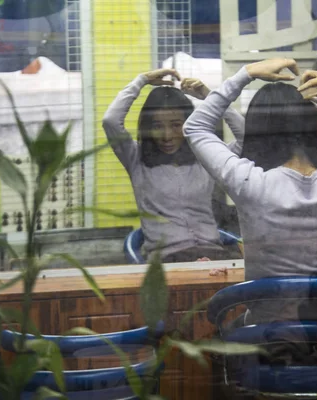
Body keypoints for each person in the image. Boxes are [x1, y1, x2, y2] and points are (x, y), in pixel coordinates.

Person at [183, 58, 317, 360]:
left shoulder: (249, 183)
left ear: (256, 133)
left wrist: (246, 74)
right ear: (316, 130)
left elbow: (196, 126)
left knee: (213, 343)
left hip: (268, 346)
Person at [102, 68, 245, 263]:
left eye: (176, 125)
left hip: (214, 256)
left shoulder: (205, 158)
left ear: (189, 125)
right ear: (148, 128)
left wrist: (209, 96)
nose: (167, 135)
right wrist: (141, 80)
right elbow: (110, 121)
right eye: (157, 126)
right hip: (168, 262)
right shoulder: (136, 158)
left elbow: (246, 137)